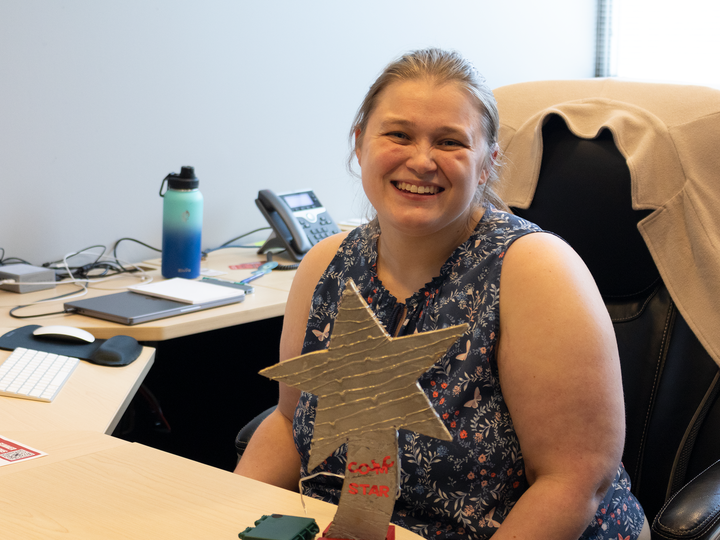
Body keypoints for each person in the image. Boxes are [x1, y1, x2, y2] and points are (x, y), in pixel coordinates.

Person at [235, 48, 649, 540]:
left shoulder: (534, 269)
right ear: (360, 143)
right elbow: (288, 424)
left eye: (450, 141)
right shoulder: (325, 264)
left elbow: (575, 481)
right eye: (398, 134)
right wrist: (224, 516)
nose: (421, 160)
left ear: (487, 164)